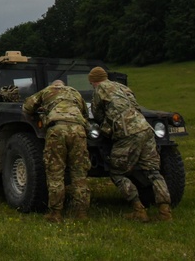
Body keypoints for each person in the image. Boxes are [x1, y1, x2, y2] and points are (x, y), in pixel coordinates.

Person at [88, 66, 173, 222]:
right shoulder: (122, 87)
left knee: (117, 172)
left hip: (127, 133)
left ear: (93, 81)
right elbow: (135, 105)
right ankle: (164, 211)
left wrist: (106, 126)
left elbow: (97, 114)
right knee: (153, 172)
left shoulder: (100, 90)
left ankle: (138, 210)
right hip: (145, 129)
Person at [22, 79, 91, 222]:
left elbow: (27, 108)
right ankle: (81, 213)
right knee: (79, 173)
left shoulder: (48, 90)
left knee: (55, 172)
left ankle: (56, 213)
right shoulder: (74, 92)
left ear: (54, 85)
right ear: (64, 86)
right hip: (78, 130)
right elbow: (85, 113)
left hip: (57, 130)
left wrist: (40, 112)